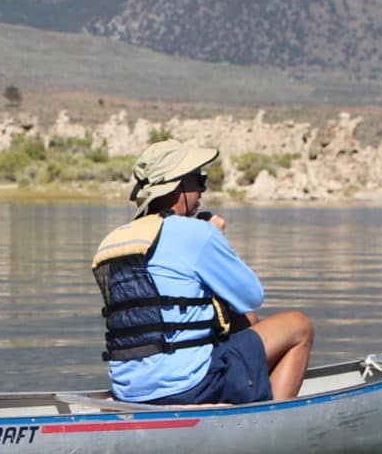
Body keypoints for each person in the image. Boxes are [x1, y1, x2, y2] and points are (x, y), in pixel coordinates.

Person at [90, 139, 313, 405]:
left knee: (246, 319)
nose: (201, 191)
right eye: (198, 180)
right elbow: (253, 294)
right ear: (178, 185)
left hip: (129, 389)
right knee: (299, 326)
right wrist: (216, 237)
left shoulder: (113, 240)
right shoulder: (197, 233)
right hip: (188, 385)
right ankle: (272, 421)